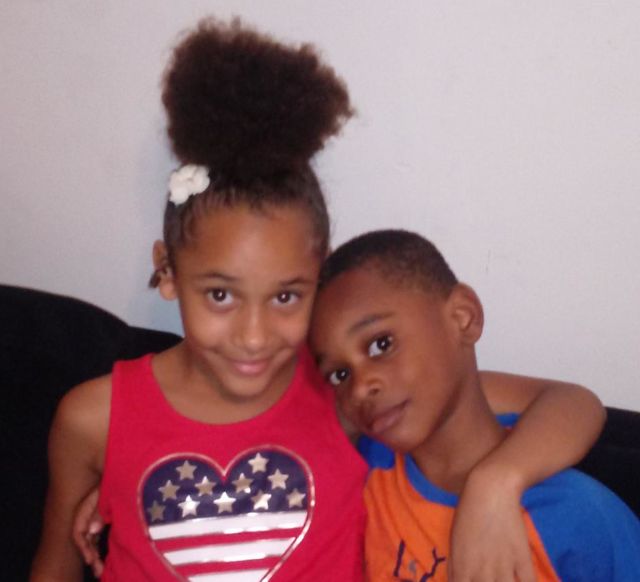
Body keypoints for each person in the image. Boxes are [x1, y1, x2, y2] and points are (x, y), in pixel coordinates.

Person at [31, 18, 605, 582]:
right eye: (221, 294)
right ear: (167, 270)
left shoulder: (342, 392)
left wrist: (497, 482)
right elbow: (55, 566)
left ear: (318, 280)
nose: (254, 335)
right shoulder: (95, 418)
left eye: (286, 295)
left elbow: (569, 402)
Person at [309, 228, 640, 581]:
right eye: (340, 375)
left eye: (382, 344)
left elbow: (577, 403)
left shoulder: (574, 517)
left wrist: (494, 485)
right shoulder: (365, 479)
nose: (360, 388)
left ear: (462, 317)